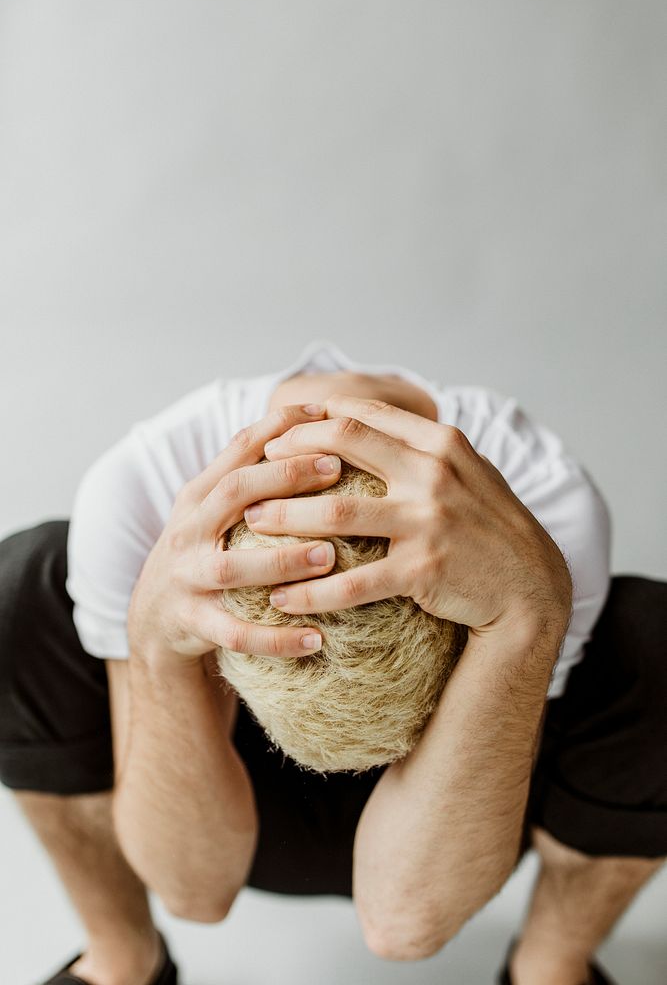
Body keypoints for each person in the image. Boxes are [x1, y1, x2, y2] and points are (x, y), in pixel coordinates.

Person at [0, 339, 664, 985]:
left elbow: (404, 923)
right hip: (227, 774)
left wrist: (526, 617)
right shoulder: (145, 483)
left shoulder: (540, 496)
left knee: (650, 639)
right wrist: (154, 643)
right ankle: (119, 960)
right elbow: (193, 891)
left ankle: (551, 968)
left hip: (458, 796)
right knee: (22, 588)